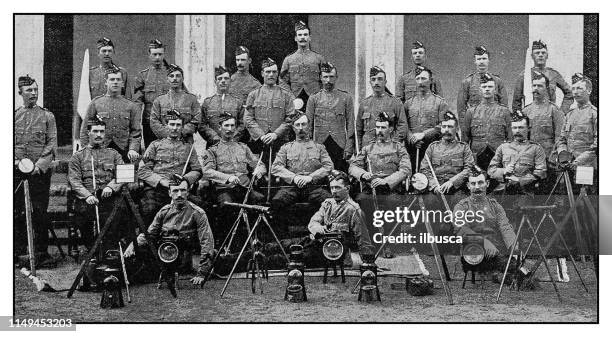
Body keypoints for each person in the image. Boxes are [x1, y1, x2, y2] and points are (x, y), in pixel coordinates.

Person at [453, 168, 528, 283]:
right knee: (512, 269)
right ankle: (503, 275)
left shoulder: (495, 206)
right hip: (473, 250)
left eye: (480, 182)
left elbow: (505, 227)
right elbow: (461, 229)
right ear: (468, 186)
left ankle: (507, 274)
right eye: (473, 183)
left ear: (487, 184)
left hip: (496, 250)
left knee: (517, 264)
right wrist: (483, 242)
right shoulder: (461, 206)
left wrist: (514, 247)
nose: (477, 187)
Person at [135, 179, 215, 286]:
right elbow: (150, 234)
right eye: (175, 191)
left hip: (184, 255)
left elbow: (207, 241)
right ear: (169, 193)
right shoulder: (164, 211)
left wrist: (202, 273)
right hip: (165, 254)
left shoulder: (198, 213)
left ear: (188, 192)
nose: (179, 195)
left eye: (183, 190)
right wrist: (133, 245)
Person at [202, 113, 267, 242]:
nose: (230, 129)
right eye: (226, 125)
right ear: (219, 128)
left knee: (260, 201)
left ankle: (255, 240)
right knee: (227, 206)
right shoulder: (212, 150)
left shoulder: (243, 148)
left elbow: (259, 164)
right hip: (224, 189)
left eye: (232, 126)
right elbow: (207, 171)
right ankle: (228, 243)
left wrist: (259, 170)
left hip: (244, 188)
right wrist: (227, 177)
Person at [14, 75, 57, 265]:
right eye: (29, 90)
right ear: (20, 93)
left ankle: (41, 252)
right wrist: (16, 162)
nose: (33, 93)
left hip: (39, 173)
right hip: (16, 171)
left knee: (39, 210)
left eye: (35, 89)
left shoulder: (47, 116)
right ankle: (17, 250)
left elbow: (51, 145)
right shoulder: (14, 115)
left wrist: (39, 166)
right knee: (16, 211)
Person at [69, 117, 128, 251]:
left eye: (102, 131)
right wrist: (87, 195)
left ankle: (110, 250)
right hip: (88, 197)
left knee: (119, 212)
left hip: (108, 195)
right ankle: (92, 249)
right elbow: (74, 181)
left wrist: (111, 187)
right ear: (88, 133)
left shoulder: (114, 154)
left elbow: (123, 174)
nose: (99, 135)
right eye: (95, 131)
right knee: (83, 216)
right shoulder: (78, 156)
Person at [138, 111, 203, 228]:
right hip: (157, 190)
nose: (175, 128)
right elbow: (143, 170)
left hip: (180, 190)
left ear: (182, 127)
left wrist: (186, 181)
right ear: (166, 126)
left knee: (200, 206)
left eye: (178, 125)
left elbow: (197, 170)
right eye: (172, 124)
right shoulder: (155, 145)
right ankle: (148, 241)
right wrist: (161, 181)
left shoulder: (188, 147)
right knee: (149, 208)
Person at [271, 113, 333, 231]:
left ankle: (326, 235)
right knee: (277, 202)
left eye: (303, 124)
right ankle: (282, 239)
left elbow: (328, 166)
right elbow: (276, 167)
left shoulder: (319, 147)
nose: (300, 128)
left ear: (308, 126)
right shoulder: (286, 148)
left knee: (329, 202)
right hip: (291, 187)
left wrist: (310, 177)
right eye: (297, 125)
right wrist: (294, 177)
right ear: (293, 128)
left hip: (313, 187)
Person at [79, 65, 142, 163]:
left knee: (124, 176)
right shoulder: (96, 103)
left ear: (122, 83)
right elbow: (85, 130)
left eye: (118, 79)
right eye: (112, 79)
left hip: (123, 150)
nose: (115, 82)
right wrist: (87, 150)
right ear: (106, 82)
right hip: (100, 148)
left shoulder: (131, 105)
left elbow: (136, 132)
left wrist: (133, 149)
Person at [308, 170, 374, 257]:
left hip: (338, 253)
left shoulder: (353, 209)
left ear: (347, 188)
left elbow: (363, 239)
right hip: (322, 246)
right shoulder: (327, 204)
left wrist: (368, 262)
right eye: (332, 188)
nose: (334, 191)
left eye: (337, 187)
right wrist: (318, 229)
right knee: (291, 245)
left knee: (298, 256)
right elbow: (313, 222)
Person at [305, 62, 355, 172]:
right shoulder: (314, 98)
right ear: (320, 78)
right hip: (320, 143)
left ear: (336, 77)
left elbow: (351, 124)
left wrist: (349, 146)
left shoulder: (346, 98)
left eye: (331, 77)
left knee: (340, 174)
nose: (328, 80)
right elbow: (308, 126)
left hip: (339, 144)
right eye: (325, 77)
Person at [350, 112, 412, 199]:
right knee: (361, 199)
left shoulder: (399, 148)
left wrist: (385, 181)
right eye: (378, 127)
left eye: (383, 127)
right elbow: (353, 167)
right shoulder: (368, 148)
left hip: (391, 189)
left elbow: (406, 169)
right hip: (371, 189)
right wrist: (363, 174)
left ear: (390, 129)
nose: (379, 130)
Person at [487, 111, 547, 195]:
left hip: (526, 191)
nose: (517, 131)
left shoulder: (536, 148)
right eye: (514, 128)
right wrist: (504, 171)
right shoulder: (503, 147)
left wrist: (519, 180)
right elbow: (491, 170)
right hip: (504, 190)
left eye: (521, 127)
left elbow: (541, 172)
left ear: (528, 128)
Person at [243, 58, 295, 154]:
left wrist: (276, 134)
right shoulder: (253, 95)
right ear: (262, 73)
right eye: (268, 72)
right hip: (259, 141)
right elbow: (248, 119)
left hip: (280, 141)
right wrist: (261, 135)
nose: (271, 74)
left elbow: (290, 118)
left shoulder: (286, 95)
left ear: (277, 73)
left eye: (274, 72)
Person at [463, 73, 512, 170]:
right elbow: (465, 140)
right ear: (480, 90)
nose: (487, 89)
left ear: (495, 90)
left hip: (498, 156)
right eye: (484, 86)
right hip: (477, 156)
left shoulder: (504, 112)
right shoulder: (471, 112)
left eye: (490, 86)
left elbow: (510, 139)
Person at [404, 65, 449, 170]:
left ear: (430, 81)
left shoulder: (440, 102)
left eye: (423, 78)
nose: (420, 82)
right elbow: (403, 125)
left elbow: (444, 125)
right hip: (413, 149)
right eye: (418, 79)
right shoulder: (408, 103)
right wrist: (412, 139)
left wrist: (424, 134)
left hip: (433, 149)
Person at [420, 112, 474, 195]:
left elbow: (469, 169)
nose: (446, 130)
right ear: (441, 128)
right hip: (436, 190)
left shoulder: (464, 148)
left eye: (450, 127)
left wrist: (452, 182)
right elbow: (424, 169)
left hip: (457, 190)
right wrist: (434, 186)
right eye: (444, 126)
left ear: (457, 129)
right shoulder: (432, 147)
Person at [512, 40, 573, 114]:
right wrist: (521, 117)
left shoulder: (553, 74)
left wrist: (562, 112)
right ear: (532, 56)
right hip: (531, 116)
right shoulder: (525, 76)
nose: (540, 55)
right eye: (537, 53)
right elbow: (516, 101)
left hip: (550, 116)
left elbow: (569, 93)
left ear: (547, 55)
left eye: (543, 53)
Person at [133, 39, 172, 147]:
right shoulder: (143, 76)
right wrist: (136, 123)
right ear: (149, 54)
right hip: (149, 123)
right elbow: (137, 102)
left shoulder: (172, 75)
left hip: (169, 122)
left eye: (160, 54)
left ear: (164, 54)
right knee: (150, 154)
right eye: (154, 54)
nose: (157, 57)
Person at [356, 66, 407, 147]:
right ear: (370, 82)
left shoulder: (395, 102)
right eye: (373, 79)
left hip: (389, 149)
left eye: (380, 79)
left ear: (385, 82)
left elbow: (402, 126)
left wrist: (394, 143)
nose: (376, 82)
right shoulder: (364, 104)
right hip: (368, 149)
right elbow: (359, 129)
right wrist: (359, 148)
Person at [457, 45, 508, 124]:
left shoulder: (498, 81)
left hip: (494, 123)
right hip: (475, 125)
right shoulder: (467, 82)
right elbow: (461, 110)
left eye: (484, 58)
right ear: (475, 61)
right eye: (479, 59)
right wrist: (465, 130)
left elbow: (504, 107)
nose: (481, 62)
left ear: (488, 60)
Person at [150, 63, 200, 143]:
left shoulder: (191, 99)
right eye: (171, 76)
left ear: (183, 78)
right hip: (164, 143)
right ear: (167, 79)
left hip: (185, 142)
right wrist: (169, 133)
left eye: (178, 76)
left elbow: (197, 119)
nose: (175, 79)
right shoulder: (159, 100)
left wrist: (181, 131)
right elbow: (154, 122)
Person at [556, 73, 598, 169]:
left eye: (579, 88)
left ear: (589, 90)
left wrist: (576, 162)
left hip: (586, 166)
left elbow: (596, 146)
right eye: (573, 88)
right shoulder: (569, 114)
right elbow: (561, 139)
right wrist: (563, 154)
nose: (575, 92)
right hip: (567, 166)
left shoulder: (594, 114)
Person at [279, 20, 325, 105]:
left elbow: (325, 79)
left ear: (310, 37)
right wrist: (291, 98)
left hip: (315, 99)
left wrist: (320, 96)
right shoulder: (289, 59)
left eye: (305, 34)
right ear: (295, 38)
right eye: (300, 35)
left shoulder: (319, 58)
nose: (303, 37)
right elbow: (282, 81)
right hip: (295, 99)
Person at [522, 71, 565, 159]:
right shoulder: (526, 111)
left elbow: (559, 137)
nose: (536, 88)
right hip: (530, 157)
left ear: (546, 88)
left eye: (540, 86)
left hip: (548, 157)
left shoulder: (554, 110)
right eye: (534, 86)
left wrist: (553, 157)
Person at [200, 65, 244, 146]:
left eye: (226, 78)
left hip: (233, 144)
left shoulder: (237, 102)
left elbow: (242, 124)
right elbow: (201, 124)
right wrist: (214, 138)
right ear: (215, 81)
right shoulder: (208, 102)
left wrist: (233, 138)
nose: (223, 81)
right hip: (213, 145)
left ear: (230, 81)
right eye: (220, 79)